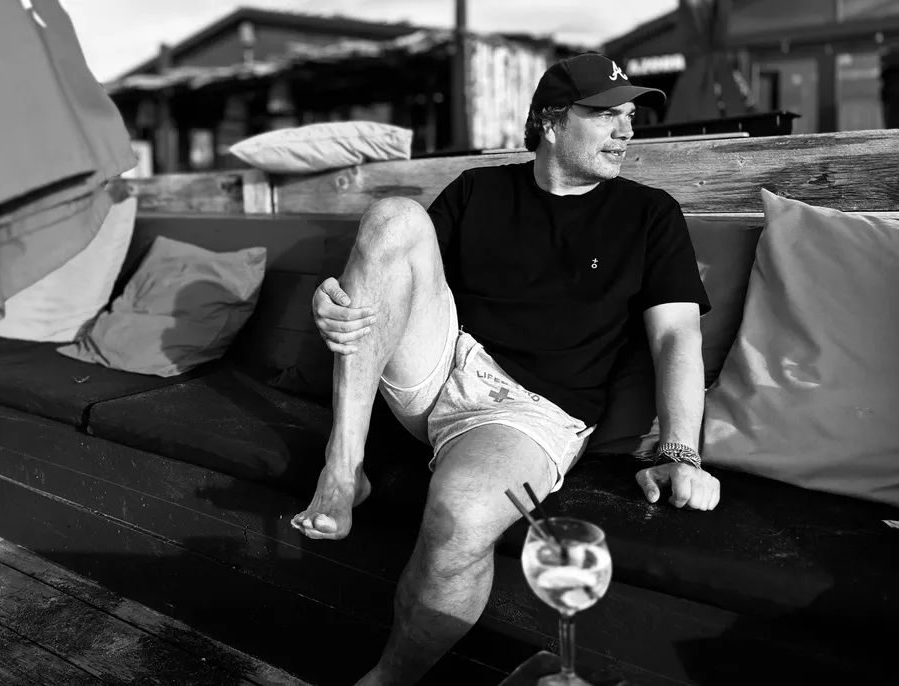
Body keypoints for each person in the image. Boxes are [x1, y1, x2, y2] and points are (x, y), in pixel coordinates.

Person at [289, 52, 722, 685]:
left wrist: (681, 452)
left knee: (462, 513)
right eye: (606, 115)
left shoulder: (650, 214)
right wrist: (334, 302)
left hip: (527, 411)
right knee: (393, 215)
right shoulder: (477, 189)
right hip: (443, 367)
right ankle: (344, 468)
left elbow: (677, 337)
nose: (626, 131)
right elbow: (396, 276)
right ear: (550, 121)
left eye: (631, 116)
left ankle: (387, 680)